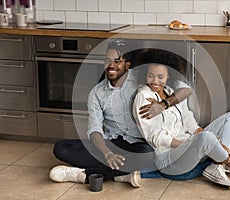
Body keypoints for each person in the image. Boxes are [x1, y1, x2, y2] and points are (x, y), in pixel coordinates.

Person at [49, 40, 193, 188]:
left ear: (127, 65)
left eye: (117, 61)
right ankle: (124, 172)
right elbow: (94, 129)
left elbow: (186, 89)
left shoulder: (142, 77)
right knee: (61, 148)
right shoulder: (97, 93)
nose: (111, 66)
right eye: (107, 61)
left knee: (148, 155)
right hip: (113, 143)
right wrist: (107, 153)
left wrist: (163, 104)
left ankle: (85, 175)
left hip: (140, 143)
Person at [132, 52, 230, 187]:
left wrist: (219, 144)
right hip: (169, 160)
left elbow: (189, 120)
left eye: (160, 76)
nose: (155, 81)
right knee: (205, 137)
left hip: (189, 147)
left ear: (168, 76)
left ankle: (216, 166)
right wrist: (187, 144)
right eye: (150, 76)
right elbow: (155, 137)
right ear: (145, 75)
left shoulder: (170, 91)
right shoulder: (143, 97)